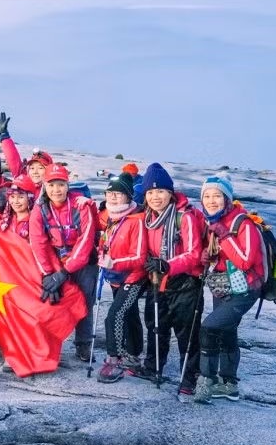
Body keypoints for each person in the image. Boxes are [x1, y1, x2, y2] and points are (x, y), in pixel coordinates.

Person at [194, 174, 264, 404]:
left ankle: (207, 382)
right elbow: (222, 258)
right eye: (207, 196)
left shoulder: (243, 224)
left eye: (217, 196)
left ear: (227, 198)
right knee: (227, 331)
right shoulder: (212, 222)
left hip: (245, 290)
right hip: (223, 286)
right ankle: (229, 384)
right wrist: (209, 257)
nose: (211, 200)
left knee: (209, 327)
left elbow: (245, 261)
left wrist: (223, 235)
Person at [140, 163, 205, 396]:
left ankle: (189, 377)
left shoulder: (183, 216)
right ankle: (153, 367)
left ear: (170, 192)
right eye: (150, 192)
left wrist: (168, 265)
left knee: (186, 333)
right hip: (157, 279)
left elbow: (194, 253)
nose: (155, 197)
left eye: (160, 191)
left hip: (185, 282)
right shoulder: (146, 218)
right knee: (156, 325)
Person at [29, 163, 100, 363]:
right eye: (51, 185)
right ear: (45, 186)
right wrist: (47, 273)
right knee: (52, 297)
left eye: (60, 184)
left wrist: (65, 272)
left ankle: (83, 344)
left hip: (84, 262)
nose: (56, 190)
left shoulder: (81, 205)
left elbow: (85, 241)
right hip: (56, 260)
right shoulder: (40, 208)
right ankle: (48, 345)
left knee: (85, 299)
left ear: (67, 185)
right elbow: (38, 241)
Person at [94, 173, 148, 383]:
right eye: (110, 193)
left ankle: (114, 359)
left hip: (133, 277)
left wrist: (113, 263)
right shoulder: (109, 216)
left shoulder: (136, 220)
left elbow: (139, 256)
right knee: (130, 313)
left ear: (129, 196)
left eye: (119, 193)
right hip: (116, 277)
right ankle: (133, 355)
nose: (114, 197)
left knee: (114, 314)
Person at [0, 172, 39, 240]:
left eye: (21, 197)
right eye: (12, 196)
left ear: (30, 198)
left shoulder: (36, 222)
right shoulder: (6, 220)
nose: (15, 201)